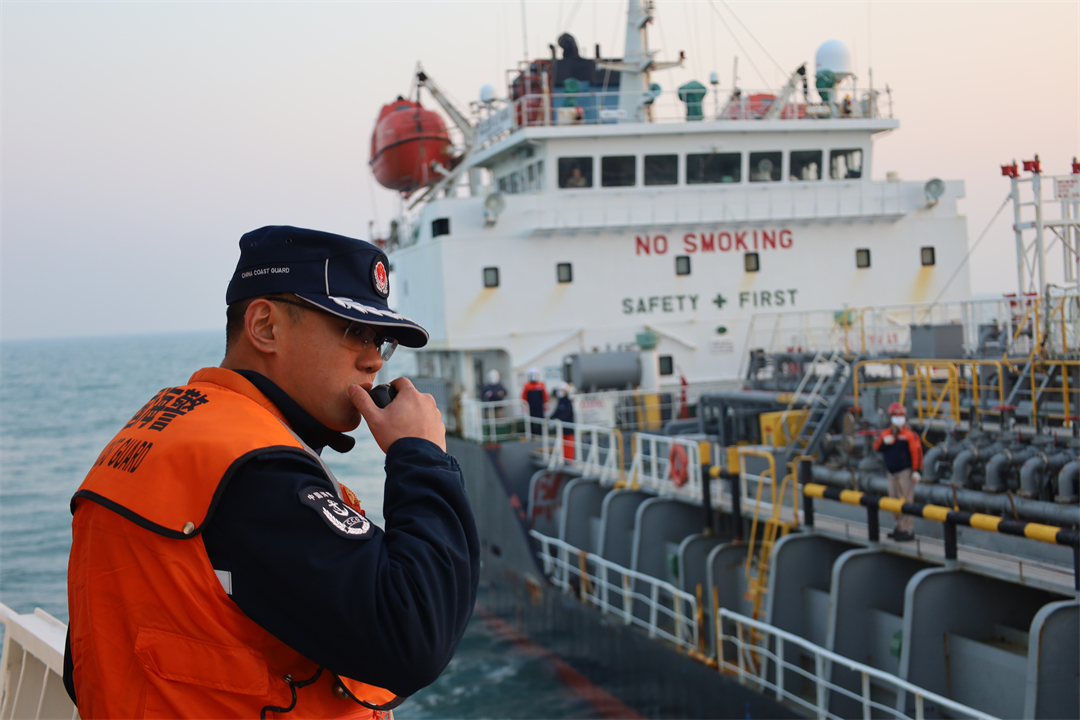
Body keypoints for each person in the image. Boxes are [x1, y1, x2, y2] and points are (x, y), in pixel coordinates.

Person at [64, 226, 480, 719]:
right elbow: (414, 637)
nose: (374, 361)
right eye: (355, 331)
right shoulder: (254, 472)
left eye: (382, 341)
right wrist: (421, 455)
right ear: (264, 327)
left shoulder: (158, 435)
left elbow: (90, 657)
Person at [872, 402, 923, 542]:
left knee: (907, 501)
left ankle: (908, 529)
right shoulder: (886, 434)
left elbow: (917, 452)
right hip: (891, 473)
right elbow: (876, 447)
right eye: (896, 416)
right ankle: (899, 527)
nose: (899, 418)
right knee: (893, 500)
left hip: (905, 472)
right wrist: (884, 443)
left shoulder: (909, 435)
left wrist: (916, 470)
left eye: (901, 416)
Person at [549, 382, 575, 460]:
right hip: (561, 429)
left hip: (568, 429)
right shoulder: (560, 401)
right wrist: (550, 418)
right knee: (562, 445)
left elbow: (567, 413)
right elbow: (556, 412)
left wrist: (559, 419)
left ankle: (569, 460)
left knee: (568, 445)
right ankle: (563, 458)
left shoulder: (568, 402)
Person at [521, 368, 548, 436]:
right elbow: (524, 396)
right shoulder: (526, 385)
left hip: (539, 405)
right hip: (530, 406)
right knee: (531, 420)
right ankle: (532, 434)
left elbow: (545, 395)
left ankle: (541, 433)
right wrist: (524, 406)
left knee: (541, 419)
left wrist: (546, 404)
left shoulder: (541, 384)